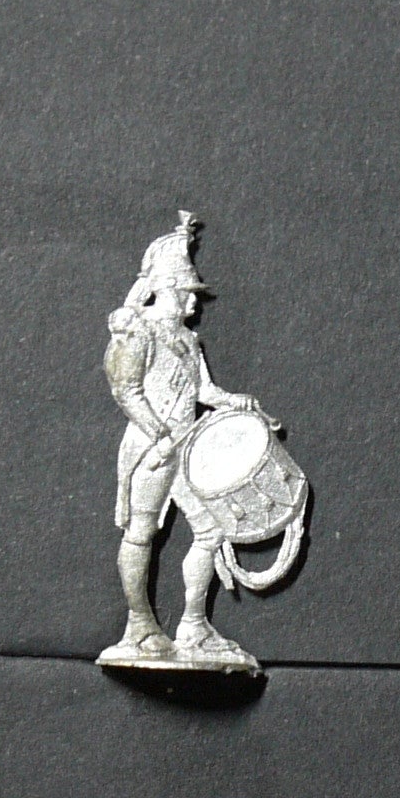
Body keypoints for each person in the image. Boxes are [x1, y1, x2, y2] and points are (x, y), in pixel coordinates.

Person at [101, 212, 263, 667]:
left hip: (186, 450)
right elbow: (126, 392)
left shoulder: (188, 341)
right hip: (152, 450)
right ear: (166, 289)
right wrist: (159, 435)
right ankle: (139, 624)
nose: (193, 304)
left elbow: (202, 391)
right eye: (186, 294)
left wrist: (234, 401)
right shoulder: (138, 331)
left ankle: (192, 625)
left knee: (211, 529)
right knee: (141, 533)